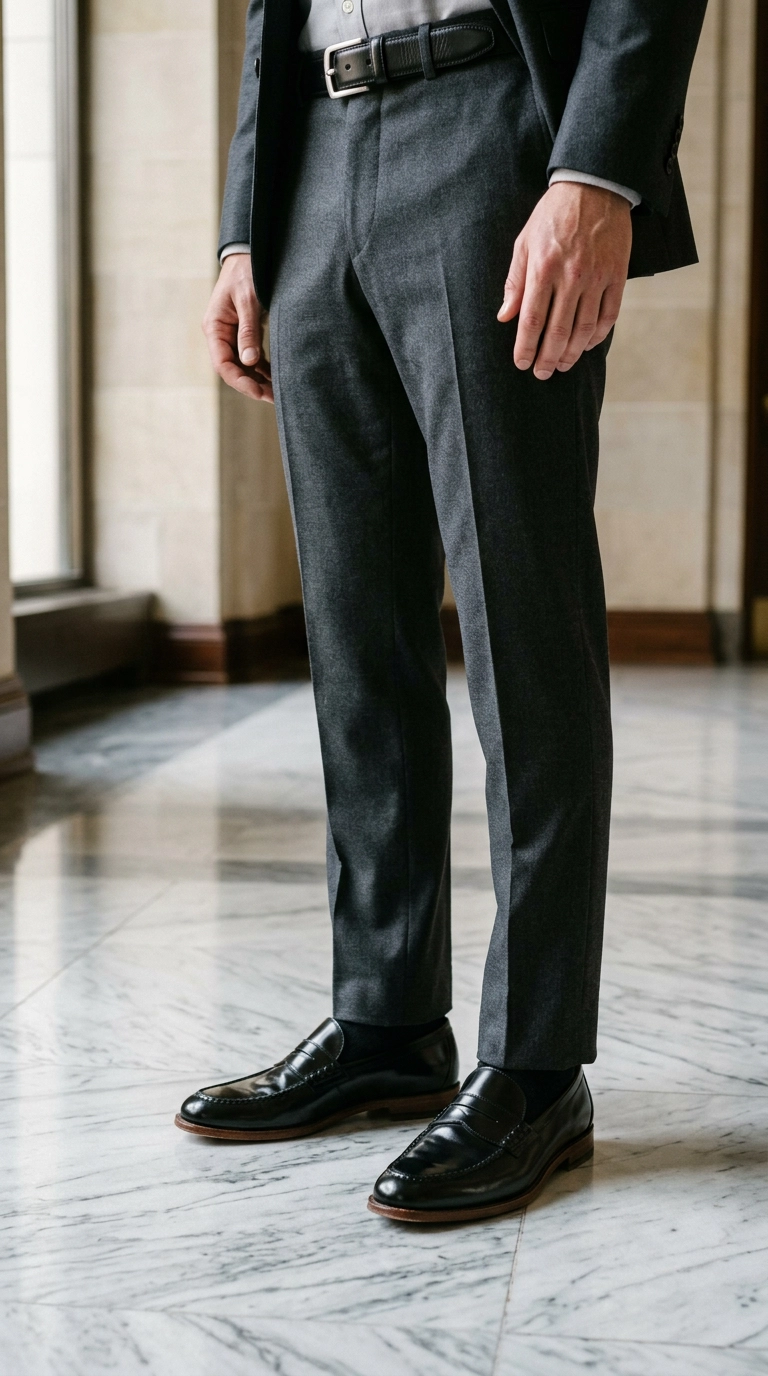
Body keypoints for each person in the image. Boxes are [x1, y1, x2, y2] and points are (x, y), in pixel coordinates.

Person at [175, 0, 707, 1223]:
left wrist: (598, 169)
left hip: (496, 124)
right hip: (315, 147)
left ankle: (534, 1063)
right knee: (357, 636)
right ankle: (385, 1017)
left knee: (525, 628)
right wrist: (243, 228)